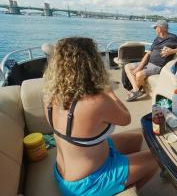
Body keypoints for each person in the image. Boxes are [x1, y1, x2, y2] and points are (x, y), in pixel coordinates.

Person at [43, 37, 158, 196]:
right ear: (92, 64)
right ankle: (123, 189)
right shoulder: (97, 101)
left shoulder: (49, 97)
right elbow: (126, 118)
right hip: (88, 183)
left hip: (63, 172)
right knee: (156, 158)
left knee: (137, 138)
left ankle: (124, 176)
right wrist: (109, 91)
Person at [124, 20, 177, 101]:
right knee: (127, 67)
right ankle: (136, 90)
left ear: (160, 28)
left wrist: (172, 51)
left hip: (158, 66)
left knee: (138, 74)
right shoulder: (156, 39)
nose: (154, 29)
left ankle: (136, 91)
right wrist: (140, 66)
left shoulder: (173, 38)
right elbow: (148, 54)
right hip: (149, 63)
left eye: (155, 27)